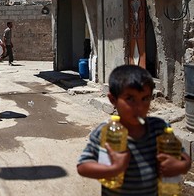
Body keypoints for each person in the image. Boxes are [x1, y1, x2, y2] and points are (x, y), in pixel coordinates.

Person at [77, 64, 191, 195]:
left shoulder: (159, 128)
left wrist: (182, 166)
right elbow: (83, 166)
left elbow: (183, 157)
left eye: (145, 98)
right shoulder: (106, 131)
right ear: (112, 99)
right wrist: (114, 169)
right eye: (130, 99)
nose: (139, 107)